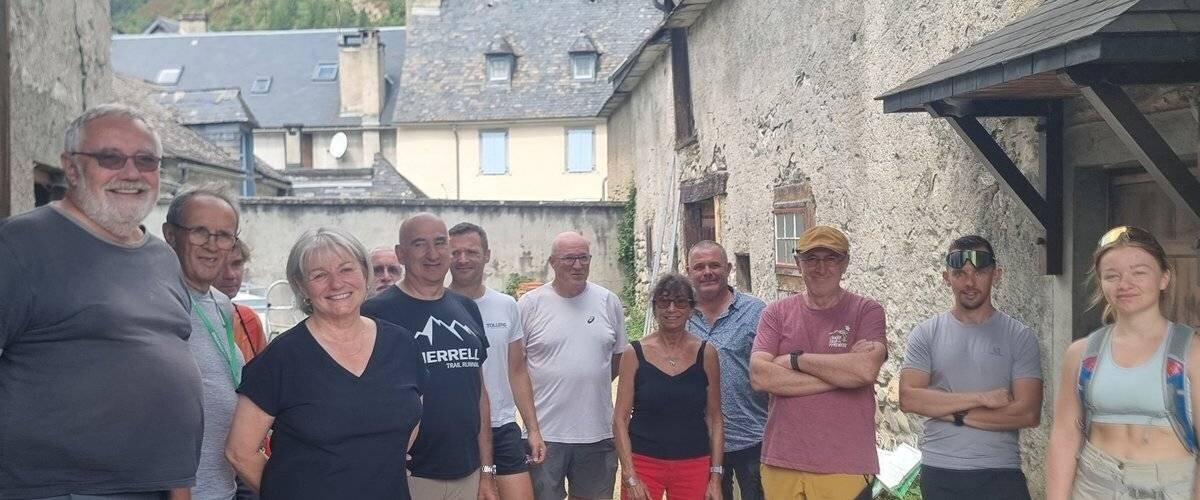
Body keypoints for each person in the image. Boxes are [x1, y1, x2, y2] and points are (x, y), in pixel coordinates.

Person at [0, 104, 202, 499]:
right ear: (71, 168)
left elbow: (171, 373)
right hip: (57, 489)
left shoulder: (163, 258)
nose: (131, 172)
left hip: (154, 487)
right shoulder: (18, 246)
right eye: (110, 157)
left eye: (146, 160)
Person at [225, 227, 425, 499]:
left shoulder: (402, 344)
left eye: (346, 269)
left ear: (364, 273)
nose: (336, 284)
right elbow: (239, 451)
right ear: (301, 286)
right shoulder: (282, 358)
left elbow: (410, 420)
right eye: (319, 275)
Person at [1046, 226, 1199, 500]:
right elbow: (1065, 436)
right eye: (1111, 276)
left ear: (1164, 277)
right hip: (1095, 486)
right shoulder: (1081, 354)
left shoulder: (1192, 352)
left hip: (1173, 487)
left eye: (1139, 272)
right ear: (1101, 283)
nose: (1124, 284)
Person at [362, 213, 499, 500]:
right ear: (401, 253)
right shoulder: (374, 314)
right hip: (408, 476)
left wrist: (486, 471)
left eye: (439, 242)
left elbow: (479, 394)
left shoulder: (467, 308)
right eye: (419, 244)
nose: (432, 254)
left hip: (468, 474)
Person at [898, 235, 1042, 500]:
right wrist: (981, 398)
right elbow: (909, 399)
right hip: (941, 470)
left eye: (980, 272)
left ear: (996, 275)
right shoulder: (926, 333)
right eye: (959, 274)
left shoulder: (1019, 336)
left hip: (1000, 471)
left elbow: (1028, 413)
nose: (969, 282)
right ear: (946, 278)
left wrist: (949, 411)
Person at [749, 225, 887, 499]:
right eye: (811, 258)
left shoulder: (867, 311)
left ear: (845, 263)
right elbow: (760, 377)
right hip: (782, 459)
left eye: (831, 258)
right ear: (798, 262)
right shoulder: (776, 313)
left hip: (844, 463)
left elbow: (865, 370)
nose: (820, 268)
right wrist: (841, 375)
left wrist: (794, 359)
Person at [519, 231, 628, 500]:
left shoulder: (608, 301)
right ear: (552, 262)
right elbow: (516, 368)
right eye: (569, 259)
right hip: (545, 435)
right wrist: (532, 429)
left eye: (583, 258)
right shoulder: (529, 305)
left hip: (597, 434)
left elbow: (618, 358)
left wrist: (588, 378)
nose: (577, 265)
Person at [447, 222, 548, 499]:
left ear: (487, 255)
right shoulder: (436, 306)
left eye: (471, 252)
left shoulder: (506, 305)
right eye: (455, 252)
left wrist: (533, 429)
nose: (463, 259)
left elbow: (517, 371)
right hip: (456, 428)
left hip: (501, 426)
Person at [163, 184, 245, 500]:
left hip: (222, 487)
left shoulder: (221, 304)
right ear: (171, 235)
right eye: (199, 232)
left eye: (223, 235)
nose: (212, 245)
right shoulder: (156, 301)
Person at [614, 274, 723, 500]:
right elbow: (620, 419)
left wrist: (715, 478)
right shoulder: (634, 353)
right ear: (654, 308)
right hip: (643, 462)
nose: (671, 309)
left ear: (691, 309)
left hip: (693, 463)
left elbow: (715, 419)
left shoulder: (706, 353)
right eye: (664, 302)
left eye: (680, 302)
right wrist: (629, 475)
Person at [685, 240, 767, 499]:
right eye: (699, 267)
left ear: (729, 268)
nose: (707, 272)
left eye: (714, 265)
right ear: (688, 272)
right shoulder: (679, 316)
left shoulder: (756, 312)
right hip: (700, 440)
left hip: (752, 436)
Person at [215, 239, 268, 361]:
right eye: (220, 266)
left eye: (237, 264)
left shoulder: (249, 319)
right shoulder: (190, 320)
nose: (230, 275)